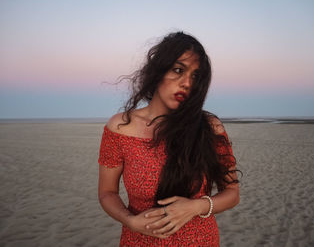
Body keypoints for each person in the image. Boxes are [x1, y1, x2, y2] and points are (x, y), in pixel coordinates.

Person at [98, 31, 240, 246]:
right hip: (138, 241)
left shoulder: (210, 128)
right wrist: (130, 221)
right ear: (157, 71)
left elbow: (232, 194)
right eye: (178, 70)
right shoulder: (120, 128)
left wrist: (196, 207)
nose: (187, 84)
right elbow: (107, 193)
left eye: (195, 77)